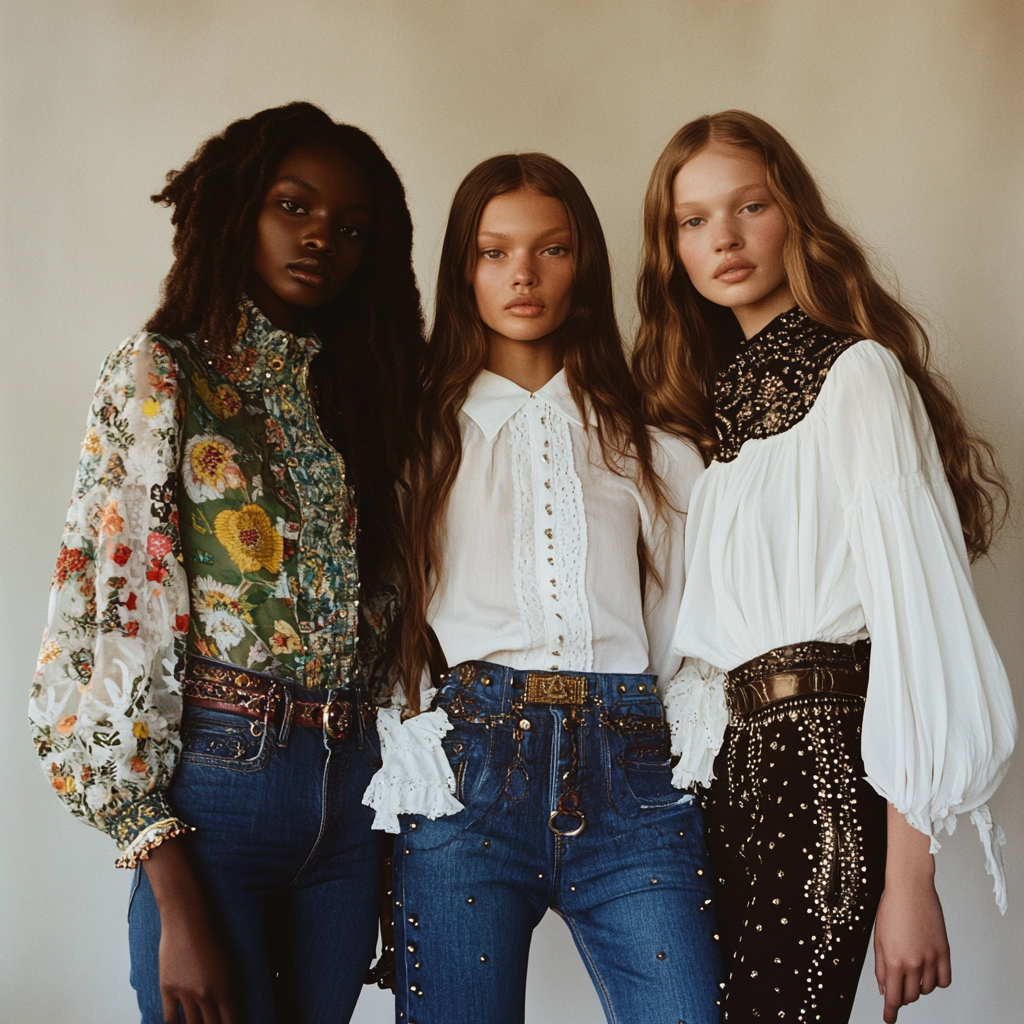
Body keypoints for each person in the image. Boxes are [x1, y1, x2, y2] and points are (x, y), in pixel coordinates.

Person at [29, 101, 425, 1024]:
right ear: (239, 208)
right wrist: (169, 887)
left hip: (353, 800)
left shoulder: (369, 400)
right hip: (218, 794)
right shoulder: (163, 373)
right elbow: (108, 615)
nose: (320, 237)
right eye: (293, 206)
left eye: (351, 228)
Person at [632, 109, 1017, 1024]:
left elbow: (916, 628)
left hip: (825, 768)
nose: (723, 238)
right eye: (692, 221)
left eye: (749, 205)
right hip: (723, 777)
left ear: (793, 216)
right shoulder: (702, 423)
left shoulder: (860, 377)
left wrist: (911, 881)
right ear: (672, 250)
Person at [360, 152, 723, 1024]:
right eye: (494, 252)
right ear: (463, 270)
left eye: (550, 250)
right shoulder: (416, 441)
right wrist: (413, 737)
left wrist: (675, 748)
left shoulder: (651, 444)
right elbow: (385, 616)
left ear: (584, 266)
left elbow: (689, 620)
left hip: (633, 774)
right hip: (469, 768)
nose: (522, 274)